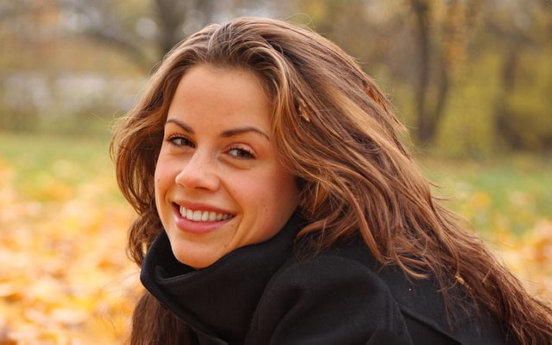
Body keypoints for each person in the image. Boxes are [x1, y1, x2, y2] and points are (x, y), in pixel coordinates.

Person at [110, 17, 552, 344]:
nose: (192, 175)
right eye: (181, 140)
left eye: (240, 152)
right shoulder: (194, 276)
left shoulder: (352, 305)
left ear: (312, 175)